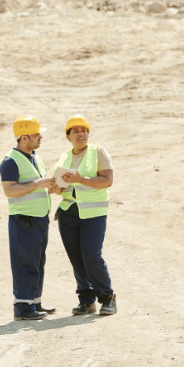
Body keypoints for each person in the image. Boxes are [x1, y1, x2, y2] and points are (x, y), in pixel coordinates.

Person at [53, 115, 116, 316]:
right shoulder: (64, 157)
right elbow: (58, 186)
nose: (81, 134)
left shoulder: (98, 152)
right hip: (68, 212)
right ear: (68, 136)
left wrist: (80, 179)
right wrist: (55, 186)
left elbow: (107, 180)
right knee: (76, 258)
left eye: (84, 130)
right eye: (75, 131)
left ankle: (107, 297)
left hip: (93, 213)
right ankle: (86, 300)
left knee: (91, 256)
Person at [0, 116, 56, 321]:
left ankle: (34, 302)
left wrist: (51, 188)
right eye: (36, 134)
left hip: (39, 218)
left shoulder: (35, 157)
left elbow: (36, 186)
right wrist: (37, 184)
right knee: (25, 263)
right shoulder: (10, 161)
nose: (40, 137)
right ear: (24, 137)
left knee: (38, 262)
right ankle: (22, 308)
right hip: (24, 220)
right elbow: (10, 190)